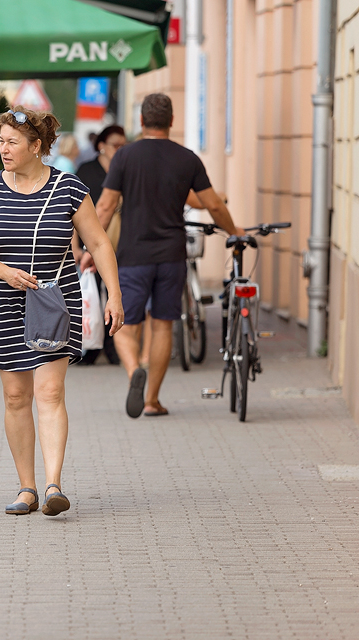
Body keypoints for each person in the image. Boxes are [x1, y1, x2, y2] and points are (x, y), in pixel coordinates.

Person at [0, 106, 123, 517]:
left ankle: (53, 485)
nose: (4, 148)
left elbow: (99, 244)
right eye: (1, 141)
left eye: (12, 142)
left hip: (52, 299)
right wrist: (4, 273)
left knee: (50, 392)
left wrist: (114, 295)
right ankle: (26, 488)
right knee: (16, 397)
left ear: (37, 146)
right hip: (3, 301)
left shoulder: (68, 188)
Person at [92, 93, 240, 419]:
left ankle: (134, 374)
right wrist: (234, 232)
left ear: (142, 122)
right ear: (172, 122)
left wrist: (92, 249)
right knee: (162, 327)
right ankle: (152, 400)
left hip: (132, 255)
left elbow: (104, 207)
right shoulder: (187, 159)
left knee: (126, 327)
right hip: (172, 257)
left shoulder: (124, 157)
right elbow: (213, 204)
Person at [75, 124, 127, 366]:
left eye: (123, 145)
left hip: (122, 240)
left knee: (117, 293)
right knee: (93, 293)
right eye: (116, 145)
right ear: (101, 146)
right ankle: (92, 348)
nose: (120, 149)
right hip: (91, 243)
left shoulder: (126, 168)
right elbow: (72, 211)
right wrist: (76, 247)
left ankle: (114, 346)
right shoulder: (87, 170)